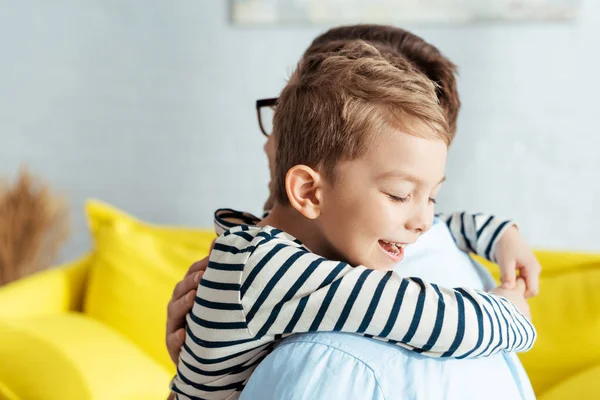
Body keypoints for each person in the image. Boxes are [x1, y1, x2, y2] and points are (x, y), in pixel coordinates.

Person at [166, 25, 541, 400]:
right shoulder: (273, 270)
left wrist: (500, 233)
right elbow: (428, 317)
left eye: (431, 198)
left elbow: (445, 224)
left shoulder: (257, 251)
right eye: (399, 195)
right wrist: (511, 313)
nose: (425, 223)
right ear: (309, 192)